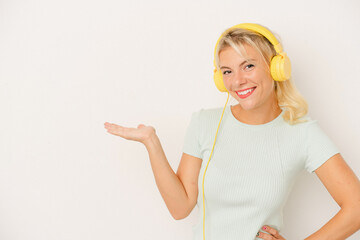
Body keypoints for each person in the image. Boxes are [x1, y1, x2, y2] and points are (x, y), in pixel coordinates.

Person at [104, 23, 360, 240]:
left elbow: (356, 208)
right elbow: (180, 207)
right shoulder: (204, 123)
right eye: (227, 71)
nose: (237, 81)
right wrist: (152, 143)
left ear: (276, 67)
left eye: (248, 66)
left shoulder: (302, 132)